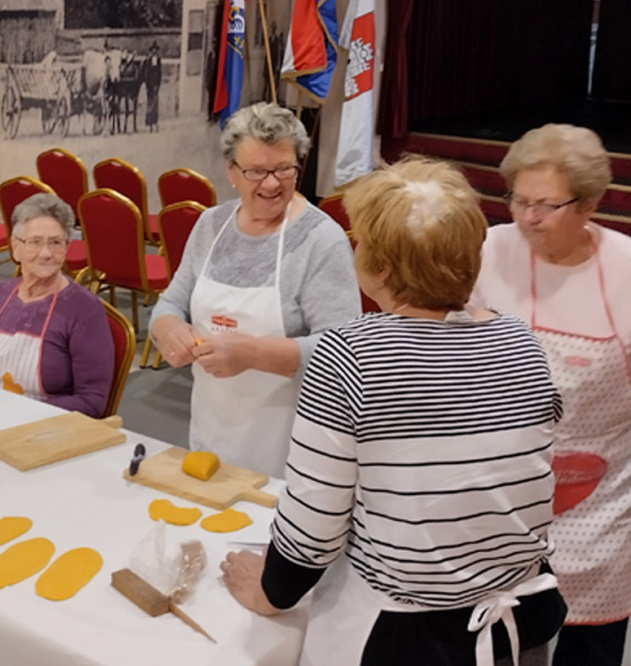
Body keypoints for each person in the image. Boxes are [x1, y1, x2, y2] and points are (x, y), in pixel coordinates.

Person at [221, 157, 567, 666]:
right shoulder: (522, 342)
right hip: (519, 622)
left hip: (406, 638)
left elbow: (314, 521)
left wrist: (272, 592)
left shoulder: (350, 355)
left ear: (379, 267)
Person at [471, 124, 631, 666]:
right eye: (517, 198)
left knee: (590, 646)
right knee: (504, 634)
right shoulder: (491, 250)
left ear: (588, 204)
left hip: (605, 497)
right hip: (506, 489)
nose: (527, 217)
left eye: (546, 205)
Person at [149, 102, 361, 477]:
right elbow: (170, 304)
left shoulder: (320, 240)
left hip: (289, 445)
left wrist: (251, 353)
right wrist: (171, 332)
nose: (271, 183)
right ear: (231, 171)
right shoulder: (210, 226)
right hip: (211, 427)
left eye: (284, 169)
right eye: (256, 171)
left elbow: (341, 352)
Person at [0, 193, 114, 418]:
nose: (45, 254)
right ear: (16, 247)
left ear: (66, 248)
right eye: (35, 242)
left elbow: (92, 400)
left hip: (35, 430)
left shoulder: (84, 310)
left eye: (55, 243)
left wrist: (19, 412)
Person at [144, 41, 162, 132]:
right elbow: (146, 73)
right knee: (150, 104)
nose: (154, 51)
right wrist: (147, 84)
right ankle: (150, 123)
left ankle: (154, 123)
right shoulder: (148, 59)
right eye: (153, 49)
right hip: (150, 85)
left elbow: (159, 73)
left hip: (155, 84)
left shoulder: (157, 59)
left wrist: (158, 84)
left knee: (155, 104)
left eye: (155, 49)